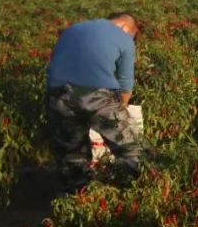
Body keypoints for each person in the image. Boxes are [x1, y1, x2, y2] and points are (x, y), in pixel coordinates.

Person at [45, 12, 144, 193]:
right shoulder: (125, 39)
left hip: (57, 95)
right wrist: (120, 112)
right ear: (126, 28)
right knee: (131, 148)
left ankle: (77, 199)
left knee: (72, 156)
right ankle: (133, 193)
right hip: (95, 95)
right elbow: (125, 86)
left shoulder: (72, 29)